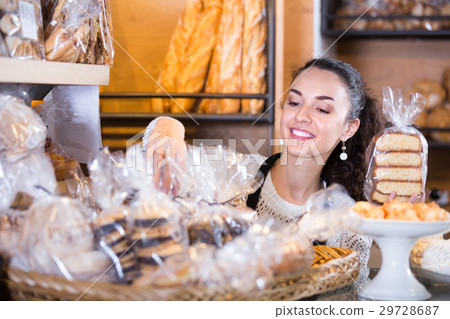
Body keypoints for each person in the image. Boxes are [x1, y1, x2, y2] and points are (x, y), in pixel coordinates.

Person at [141, 57, 383, 268]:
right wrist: (169, 126)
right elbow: (161, 163)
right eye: (294, 102)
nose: (301, 116)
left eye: (321, 109)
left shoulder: (348, 224)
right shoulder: (236, 175)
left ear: (349, 129)